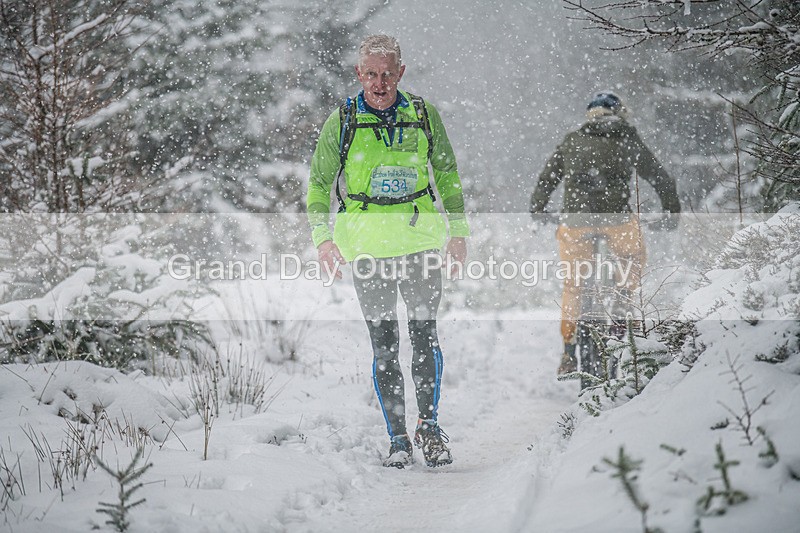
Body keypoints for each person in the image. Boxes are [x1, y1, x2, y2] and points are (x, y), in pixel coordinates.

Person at [306, 35, 469, 468]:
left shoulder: (422, 114)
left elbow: (448, 173)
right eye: (371, 74)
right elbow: (320, 185)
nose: (379, 83)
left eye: (387, 73)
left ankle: (429, 429)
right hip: (367, 249)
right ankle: (398, 438)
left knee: (423, 338)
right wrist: (323, 239)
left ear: (400, 72)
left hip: (420, 243)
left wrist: (459, 232)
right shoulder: (342, 119)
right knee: (384, 346)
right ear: (359, 74)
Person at [529, 91, 680, 376]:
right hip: (617, 221)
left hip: (576, 222)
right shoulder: (628, 140)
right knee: (632, 261)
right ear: (619, 113)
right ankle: (621, 309)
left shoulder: (572, 141)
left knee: (574, 284)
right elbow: (660, 177)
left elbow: (547, 178)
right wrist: (671, 213)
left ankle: (569, 349)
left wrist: (538, 208)